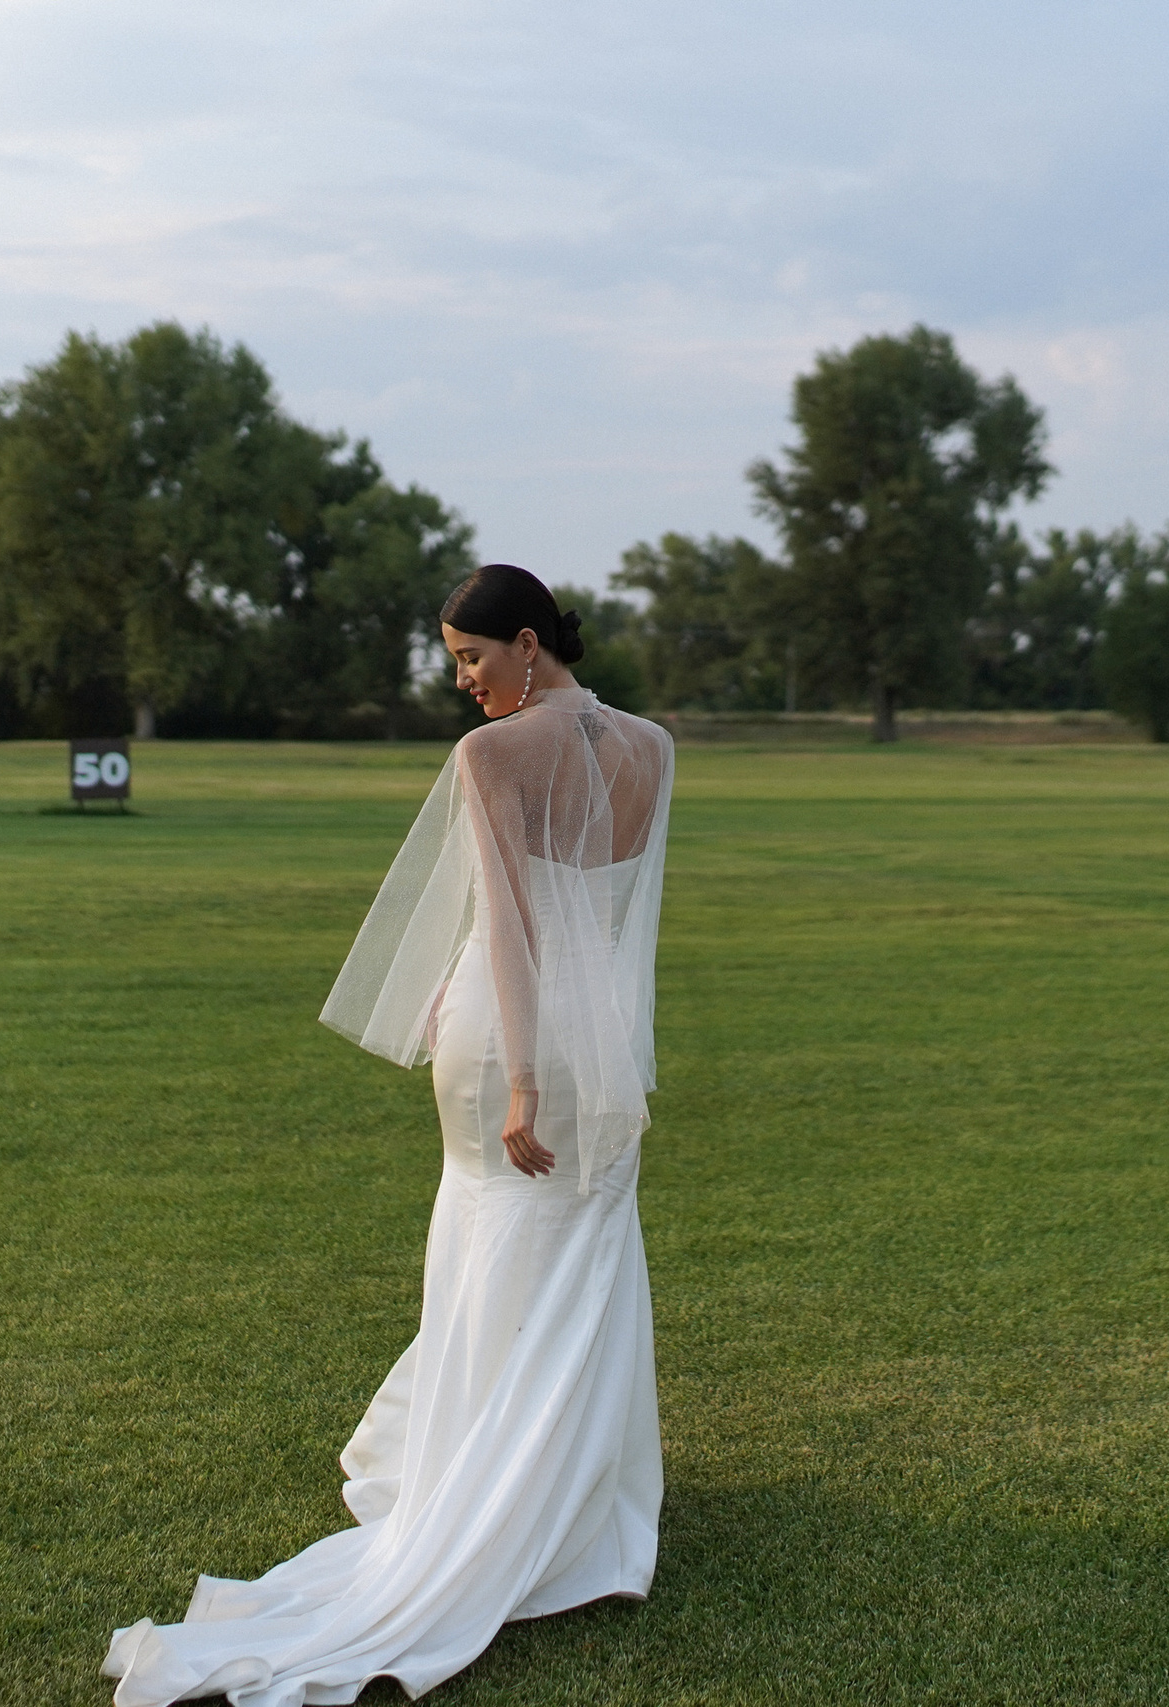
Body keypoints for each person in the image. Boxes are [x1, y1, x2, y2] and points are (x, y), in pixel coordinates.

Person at [104, 564, 676, 1707]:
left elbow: (511, 923)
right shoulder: (652, 746)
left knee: (493, 1235)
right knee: (565, 1244)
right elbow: (599, 918)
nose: (461, 682)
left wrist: (518, 1081)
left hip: (511, 1037)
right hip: (600, 1035)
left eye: (471, 657)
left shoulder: (492, 755)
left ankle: (481, 1486)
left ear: (526, 642)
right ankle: (567, 1498)